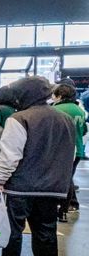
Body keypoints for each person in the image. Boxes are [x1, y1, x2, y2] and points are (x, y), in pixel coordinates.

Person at [0, 77, 76, 256]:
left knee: (13, 232)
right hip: (52, 189)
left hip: (20, 187)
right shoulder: (65, 119)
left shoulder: (19, 119)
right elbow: (70, 153)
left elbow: (11, 155)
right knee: (46, 232)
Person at [52, 83, 86, 221]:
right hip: (78, 149)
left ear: (59, 96)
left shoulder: (56, 110)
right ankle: (70, 205)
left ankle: (67, 206)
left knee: (63, 179)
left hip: (61, 149)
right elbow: (84, 130)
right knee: (69, 176)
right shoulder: (79, 111)